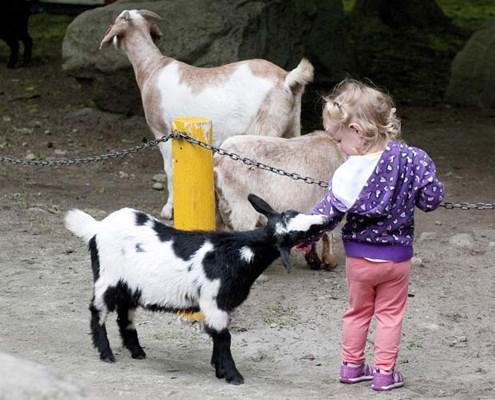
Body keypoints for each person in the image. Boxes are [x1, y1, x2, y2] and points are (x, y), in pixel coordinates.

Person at [295, 79, 444, 391]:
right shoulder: (413, 158)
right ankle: (384, 374)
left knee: (357, 312)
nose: (338, 147)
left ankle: (351, 366)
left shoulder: (347, 172)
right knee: (390, 316)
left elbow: (328, 214)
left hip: (360, 260)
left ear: (357, 132)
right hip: (397, 260)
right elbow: (431, 199)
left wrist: (306, 237)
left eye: (338, 140)